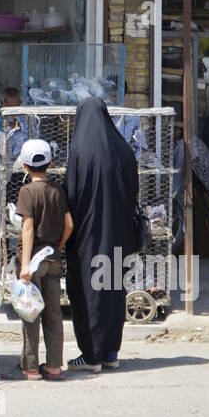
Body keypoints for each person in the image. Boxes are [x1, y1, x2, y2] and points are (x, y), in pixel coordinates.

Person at [64, 95, 140, 372]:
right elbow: (134, 194)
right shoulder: (123, 150)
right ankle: (110, 352)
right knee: (113, 290)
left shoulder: (81, 150)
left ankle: (91, 356)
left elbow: (71, 196)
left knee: (89, 292)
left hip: (88, 238)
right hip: (120, 235)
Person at [13, 138, 73, 381]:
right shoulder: (58, 190)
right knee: (53, 313)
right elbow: (69, 224)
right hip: (53, 259)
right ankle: (55, 365)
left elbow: (27, 228)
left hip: (33, 261)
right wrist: (58, 245)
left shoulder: (27, 192)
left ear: (25, 166)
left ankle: (31, 367)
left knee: (31, 312)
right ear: (49, 163)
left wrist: (26, 264)